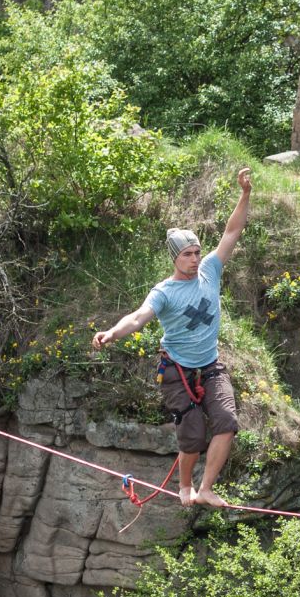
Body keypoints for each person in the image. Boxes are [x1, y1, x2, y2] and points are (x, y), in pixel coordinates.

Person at [92, 168, 251, 508]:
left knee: (227, 423)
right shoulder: (164, 292)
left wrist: (245, 193)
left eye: (196, 252)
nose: (194, 260)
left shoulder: (210, 270)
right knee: (192, 435)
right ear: (175, 258)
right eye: (187, 255)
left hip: (210, 366)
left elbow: (232, 231)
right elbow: (138, 317)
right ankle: (184, 488)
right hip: (177, 371)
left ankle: (205, 488)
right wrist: (112, 334)